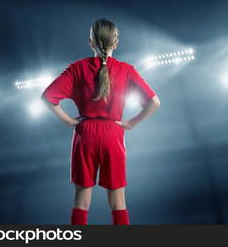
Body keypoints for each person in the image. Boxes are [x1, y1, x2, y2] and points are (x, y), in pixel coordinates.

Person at [41, 19, 161, 225]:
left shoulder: (77, 68)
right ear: (116, 44)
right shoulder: (126, 70)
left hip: (85, 133)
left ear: (91, 43)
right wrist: (130, 123)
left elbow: (47, 97)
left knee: (81, 199)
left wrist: (70, 121)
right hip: (113, 133)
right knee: (117, 200)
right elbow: (154, 102)